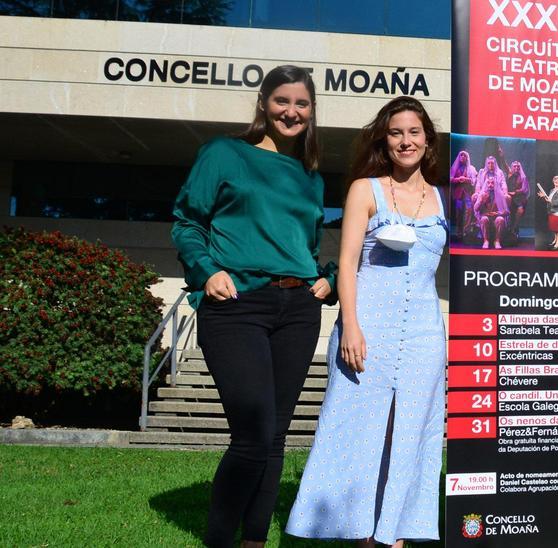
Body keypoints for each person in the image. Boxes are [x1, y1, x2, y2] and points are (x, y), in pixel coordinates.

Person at [171, 64, 334, 548]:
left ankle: (254, 541)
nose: (292, 111)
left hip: (298, 310)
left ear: (311, 111)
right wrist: (206, 270)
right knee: (253, 436)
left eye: (302, 103)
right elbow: (186, 221)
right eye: (282, 100)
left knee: (277, 438)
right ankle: (220, 540)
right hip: (236, 304)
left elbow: (303, 246)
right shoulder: (224, 153)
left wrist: (324, 280)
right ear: (264, 103)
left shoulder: (311, 177)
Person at [284, 96, 446, 545]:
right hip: (368, 325)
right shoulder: (365, 189)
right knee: (357, 428)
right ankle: (359, 531)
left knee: (412, 431)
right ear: (385, 139)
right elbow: (348, 261)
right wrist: (349, 326)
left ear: (427, 140)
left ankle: (396, 532)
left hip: (423, 334)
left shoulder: (445, 200)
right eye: (396, 133)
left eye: (414, 132)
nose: (405, 141)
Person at [473, 155, 510, 249]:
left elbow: (507, 211)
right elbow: (476, 209)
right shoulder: (483, 193)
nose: (490, 185)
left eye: (492, 163)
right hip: (485, 215)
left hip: (496, 215)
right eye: (488, 163)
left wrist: (498, 213)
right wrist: (480, 199)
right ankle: (486, 240)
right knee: (484, 218)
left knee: (500, 219)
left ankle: (497, 241)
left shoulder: (499, 174)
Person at [449, 151, 477, 235]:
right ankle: (459, 231)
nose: (463, 157)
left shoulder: (471, 168)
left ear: (467, 157)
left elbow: (474, 180)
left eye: (464, 155)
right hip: (458, 194)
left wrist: (466, 179)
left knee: (469, 211)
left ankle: (466, 230)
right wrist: (458, 179)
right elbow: (450, 179)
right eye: (461, 155)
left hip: (468, 193)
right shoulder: (454, 168)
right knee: (459, 212)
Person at [539, 175, 558, 249]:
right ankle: (555, 239)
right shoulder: (552, 190)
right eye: (555, 180)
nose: (556, 181)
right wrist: (544, 196)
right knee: (554, 228)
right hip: (551, 211)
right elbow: (548, 200)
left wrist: (550, 200)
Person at [507, 160, 530, 242]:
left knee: (520, 211)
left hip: (519, 198)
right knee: (509, 213)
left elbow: (525, 189)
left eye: (518, 166)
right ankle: (509, 229)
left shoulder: (523, 177)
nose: (516, 168)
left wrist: (516, 192)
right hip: (510, 198)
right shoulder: (510, 174)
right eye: (515, 166)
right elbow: (504, 164)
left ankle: (514, 228)